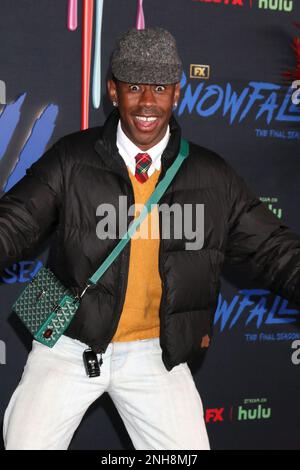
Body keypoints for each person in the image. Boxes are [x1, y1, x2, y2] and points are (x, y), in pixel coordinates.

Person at [1, 26, 300, 450]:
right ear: (113, 91)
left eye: (159, 87)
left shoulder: (211, 175)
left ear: (176, 94)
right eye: (134, 86)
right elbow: (13, 223)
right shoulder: (72, 158)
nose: (146, 102)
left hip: (155, 352)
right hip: (68, 342)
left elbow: (274, 249)